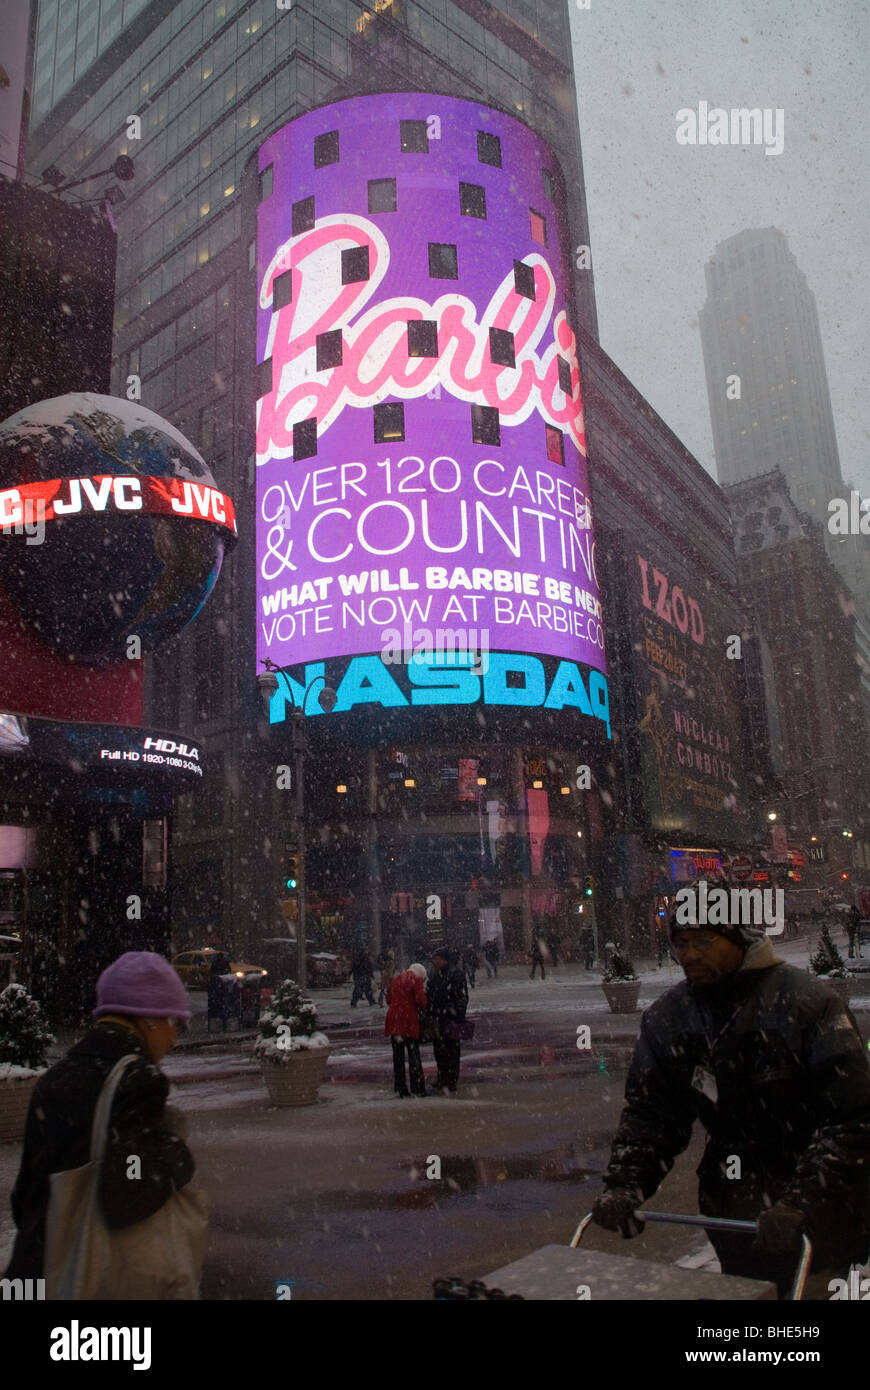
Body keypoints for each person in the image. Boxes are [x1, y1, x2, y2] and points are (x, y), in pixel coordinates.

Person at [590, 886, 870, 1299]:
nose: (690, 954)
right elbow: (653, 1114)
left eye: (704, 940)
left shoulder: (805, 1002)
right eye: (681, 943)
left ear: (738, 937)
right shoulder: (671, 1018)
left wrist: (803, 1200)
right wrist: (626, 1184)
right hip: (732, 1204)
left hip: (826, 1211)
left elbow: (852, 1115)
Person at [5, 951, 196, 1285]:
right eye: (173, 1023)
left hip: (33, 1272)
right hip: (90, 1280)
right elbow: (127, 1194)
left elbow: (25, 1197)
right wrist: (176, 1155)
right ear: (149, 1018)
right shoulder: (138, 1080)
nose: (173, 1038)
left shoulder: (56, 1076)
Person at [427, 947, 469, 1095]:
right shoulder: (436, 975)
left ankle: (451, 1079)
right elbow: (431, 994)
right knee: (440, 1050)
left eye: (436, 959)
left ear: (444, 960)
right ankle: (442, 1076)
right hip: (439, 1017)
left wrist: (457, 1015)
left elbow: (462, 997)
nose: (434, 962)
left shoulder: (455, 974)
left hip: (450, 1018)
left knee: (451, 1050)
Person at [384, 964, 428, 1097]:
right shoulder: (416, 979)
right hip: (408, 1020)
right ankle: (417, 1088)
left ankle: (401, 1087)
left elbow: (389, 999)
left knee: (398, 1057)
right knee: (414, 1056)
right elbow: (420, 1000)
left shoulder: (397, 979)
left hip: (394, 1019)